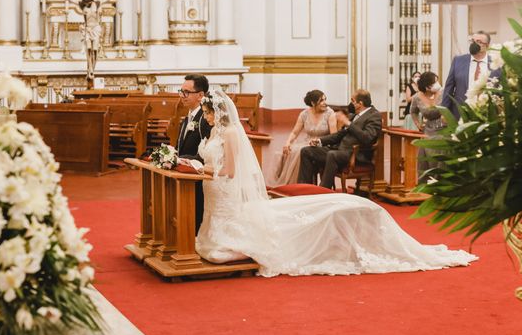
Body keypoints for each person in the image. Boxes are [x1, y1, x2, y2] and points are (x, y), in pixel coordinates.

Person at [194, 90, 477, 276]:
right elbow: (334, 136)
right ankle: (306, 187)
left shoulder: (368, 118)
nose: (206, 117)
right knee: (306, 152)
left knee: (326, 159)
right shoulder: (220, 131)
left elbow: (363, 140)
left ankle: (324, 190)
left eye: (208, 113)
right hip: (335, 148)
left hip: (351, 155)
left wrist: (344, 123)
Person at [298, 89, 382, 189]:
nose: (351, 103)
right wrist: (320, 141)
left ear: (360, 103)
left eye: (353, 100)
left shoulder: (374, 116)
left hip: (354, 154)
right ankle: (304, 188)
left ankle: (323, 190)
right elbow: (339, 135)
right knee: (306, 151)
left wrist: (348, 124)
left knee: (332, 155)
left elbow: (367, 138)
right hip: (339, 150)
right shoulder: (355, 115)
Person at [266, 90, 336, 187]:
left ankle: (300, 186)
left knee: (300, 151)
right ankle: (289, 185)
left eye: (325, 100)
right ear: (313, 103)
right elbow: (295, 132)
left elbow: (334, 135)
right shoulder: (304, 114)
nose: (325, 103)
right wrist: (287, 143)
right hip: (307, 142)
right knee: (285, 152)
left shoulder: (330, 113)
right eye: (321, 101)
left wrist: (320, 142)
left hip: (322, 144)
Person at [54, 0, 123, 81]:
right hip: (87, 29)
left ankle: (92, 70)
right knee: (89, 49)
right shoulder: (82, 5)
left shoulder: (97, 4)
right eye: (85, 3)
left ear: (90, 2)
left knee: (95, 50)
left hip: (95, 29)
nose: (86, 5)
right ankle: (90, 70)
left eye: (87, 3)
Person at [176, 74, 212, 234]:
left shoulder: (206, 119)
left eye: (186, 92)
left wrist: (186, 161)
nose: (182, 96)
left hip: (198, 179)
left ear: (200, 95)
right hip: (186, 177)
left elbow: (209, 151)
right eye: (181, 91)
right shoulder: (188, 117)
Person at [441, 31, 501, 120]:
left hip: (487, 114)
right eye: (473, 41)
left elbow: (500, 90)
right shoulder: (458, 61)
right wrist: (444, 112)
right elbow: (448, 88)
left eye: (479, 42)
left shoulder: (496, 64)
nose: (474, 44)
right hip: (460, 112)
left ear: (487, 46)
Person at [410, 71, 445, 182]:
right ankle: (428, 184)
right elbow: (413, 111)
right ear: (427, 86)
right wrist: (417, 123)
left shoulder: (443, 92)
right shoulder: (417, 97)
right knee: (428, 158)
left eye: (437, 81)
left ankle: (440, 181)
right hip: (429, 130)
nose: (437, 84)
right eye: (434, 82)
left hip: (444, 129)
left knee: (441, 155)